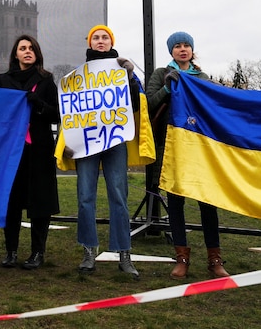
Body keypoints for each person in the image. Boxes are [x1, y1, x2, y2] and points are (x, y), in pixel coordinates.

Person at [146, 31, 230, 279]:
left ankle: (215, 258)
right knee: (176, 202)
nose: (182, 49)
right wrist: (167, 87)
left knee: (207, 202)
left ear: (192, 50)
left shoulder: (202, 77)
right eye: (177, 46)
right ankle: (181, 257)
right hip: (171, 146)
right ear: (171, 51)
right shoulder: (161, 74)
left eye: (186, 46)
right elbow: (149, 102)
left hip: (200, 148)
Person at [74, 25, 140, 279]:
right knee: (84, 197)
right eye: (96, 38)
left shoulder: (122, 70)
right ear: (89, 43)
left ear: (111, 42)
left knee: (119, 196)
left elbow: (134, 104)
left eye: (105, 38)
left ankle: (124, 253)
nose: (100, 41)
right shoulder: (78, 75)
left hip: (114, 141)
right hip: (87, 142)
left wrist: (131, 77)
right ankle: (89, 251)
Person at [0, 35, 60, 270]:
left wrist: (39, 105)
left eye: (31, 48)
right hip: (12, 151)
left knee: (40, 202)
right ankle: (10, 251)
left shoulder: (46, 80)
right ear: (15, 54)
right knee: (11, 202)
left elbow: (56, 114)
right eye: (22, 48)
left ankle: (37, 253)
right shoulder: (4, 80)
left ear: (37, 53)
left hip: (39, 150)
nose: (27, 51)